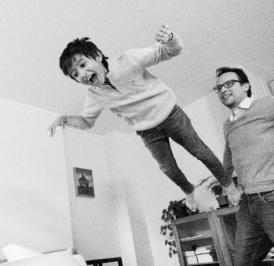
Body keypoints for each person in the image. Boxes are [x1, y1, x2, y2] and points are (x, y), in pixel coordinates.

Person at [47, 24, 240, 210]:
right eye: (75, 74)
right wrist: (65, 119)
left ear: (97, 56)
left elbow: (170, 51)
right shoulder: (95, 96)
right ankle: (189, 190)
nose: (81, 74)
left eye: (83, 64)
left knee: (200, 151)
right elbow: (86, 121)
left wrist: (170, 39)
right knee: (168, 169)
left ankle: (228, 184)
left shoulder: (129, 60)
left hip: (171, 115)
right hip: (147, 131)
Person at [215, 66, 274, 266]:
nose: (223, 90)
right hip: (248, 204)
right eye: (219, 87)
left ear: (246, 86)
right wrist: (225, 184)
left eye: (229, 84)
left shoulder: (266, 105)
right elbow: (229, 154)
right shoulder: (227, 124)